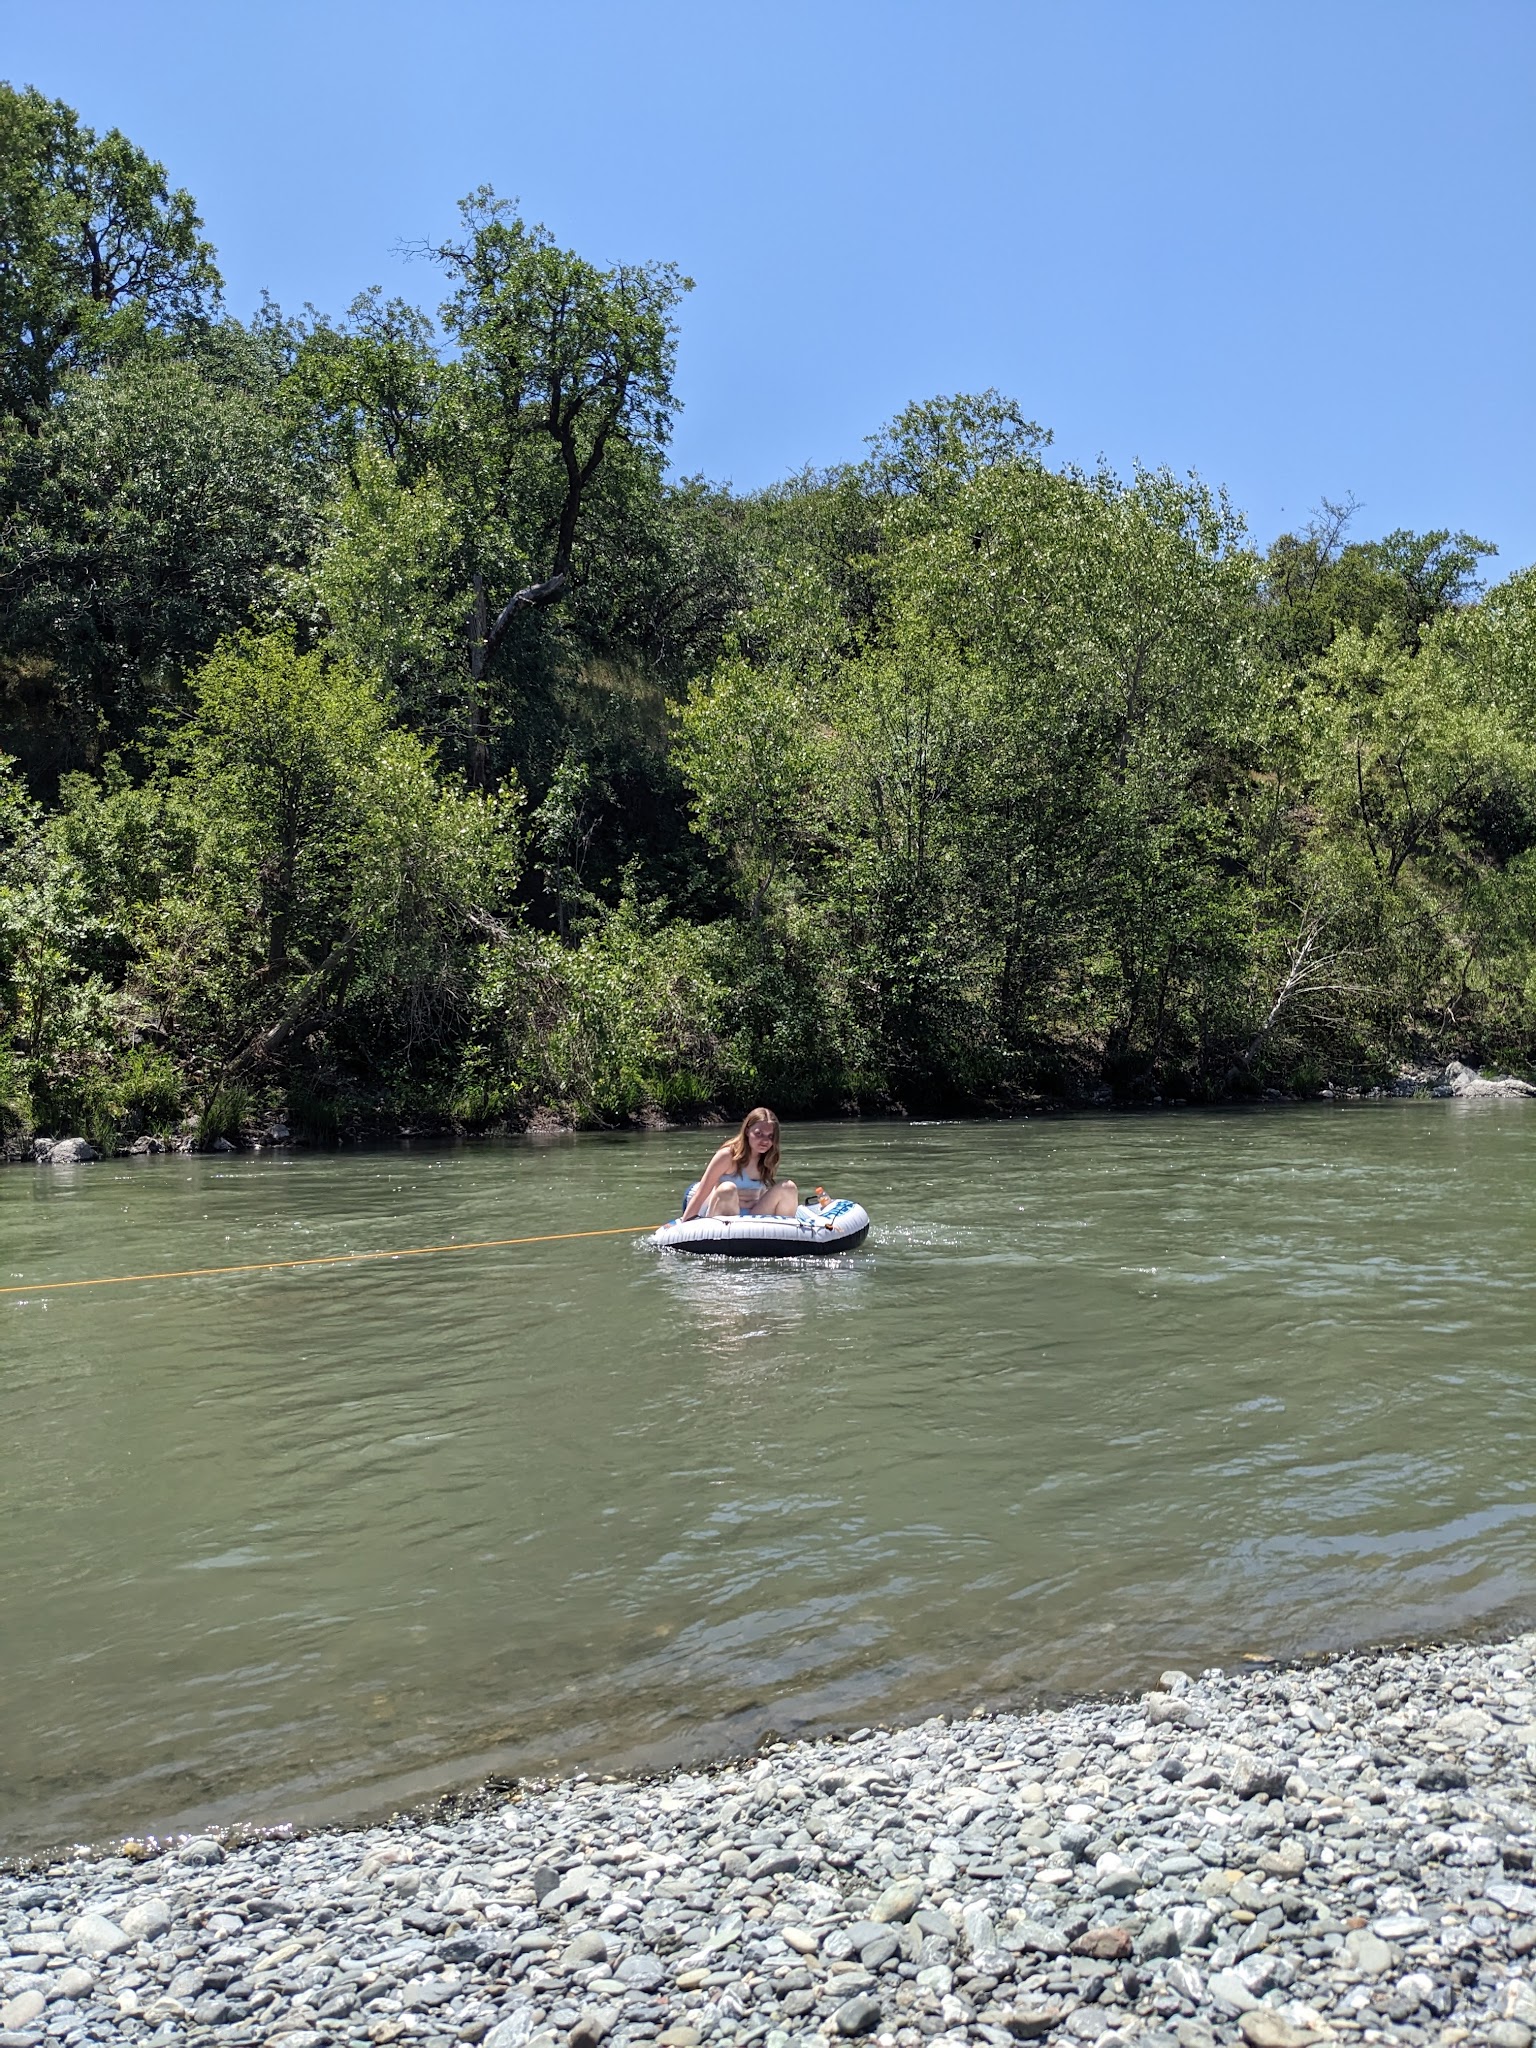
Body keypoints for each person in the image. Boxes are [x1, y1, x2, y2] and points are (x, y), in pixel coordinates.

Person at [681, 1107, 800, 1221]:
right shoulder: (727, 1156)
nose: (765, 1141)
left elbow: (762, 1192)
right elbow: (701, 1193)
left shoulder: (767, 1159)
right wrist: (685, 1224)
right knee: (728, 1189)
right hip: (724, 1215)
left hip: (753, 1214)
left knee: (789, 1187)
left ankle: (787, 1233)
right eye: (759, 1134)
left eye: (770, 1136)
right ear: (747, 1131)